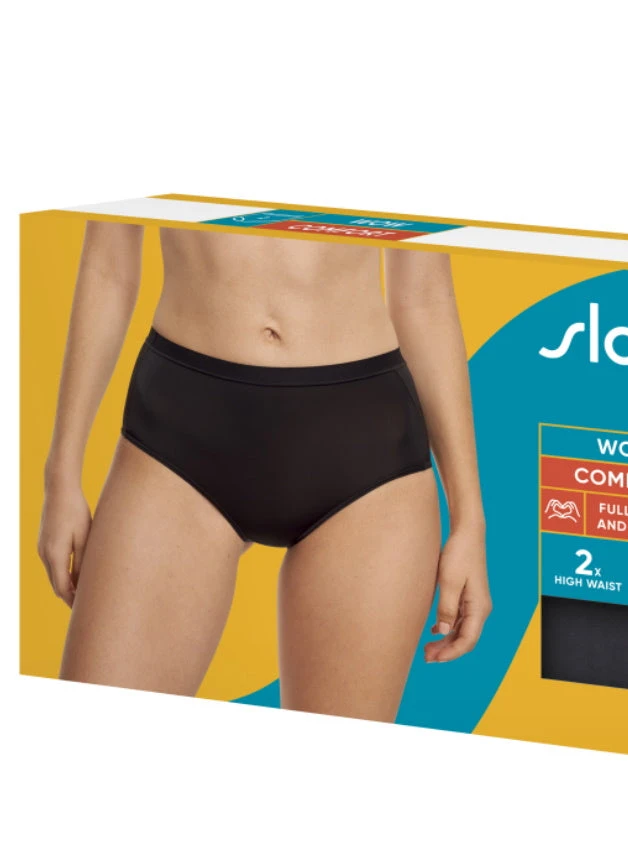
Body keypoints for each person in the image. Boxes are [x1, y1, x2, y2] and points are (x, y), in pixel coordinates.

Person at [38, 221, 491, 721]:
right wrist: (61, 474)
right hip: (182, 429)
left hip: (366, 453)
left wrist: (469, 520)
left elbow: (424, 297)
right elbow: (109, 264)